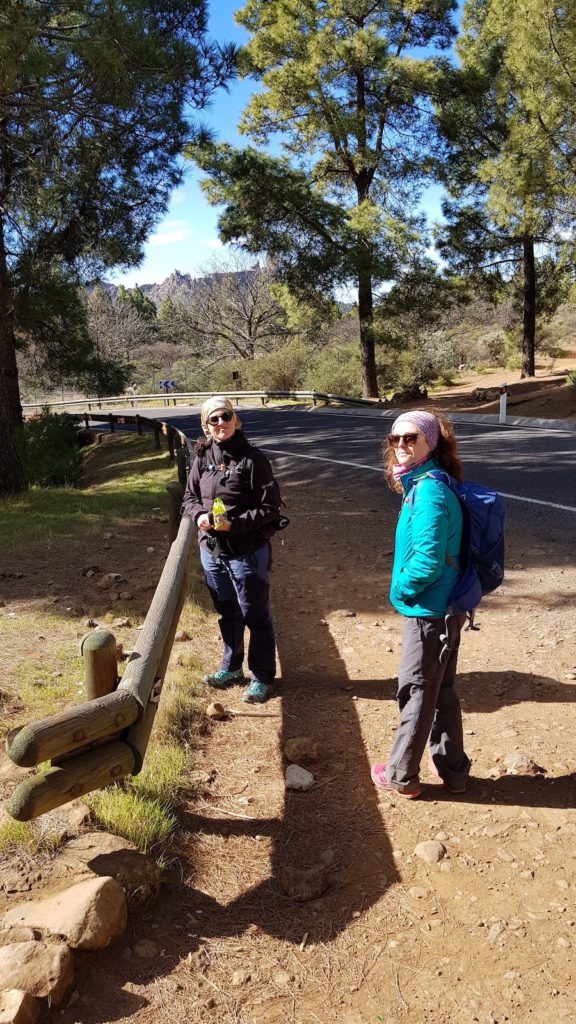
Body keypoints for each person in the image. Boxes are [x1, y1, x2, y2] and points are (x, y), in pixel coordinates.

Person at [371, 410, 471, 799]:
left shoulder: (428, 491)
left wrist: (400, 589)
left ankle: (402, 775)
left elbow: (428, 560)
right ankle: (453, 769)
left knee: (415, 690)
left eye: (411, 438)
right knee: (440, 689)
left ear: (431, 441)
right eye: (395, 439)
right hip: (446, 607)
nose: (400, 446)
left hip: (429, 611)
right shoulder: (428, 484)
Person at [182, 396, 280, 704]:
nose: (221, 423)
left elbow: (270, 509)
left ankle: (262, 676)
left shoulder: (252, 459)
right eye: (214, 419)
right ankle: (232, 668)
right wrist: (199, 515)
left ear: (235, 420)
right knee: (227, 612)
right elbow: (189, 497)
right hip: (212, 552)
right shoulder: (202, 457)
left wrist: (232, 525)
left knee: (255, 614)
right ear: (205, 426)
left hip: (247, 552)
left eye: (226, 416)